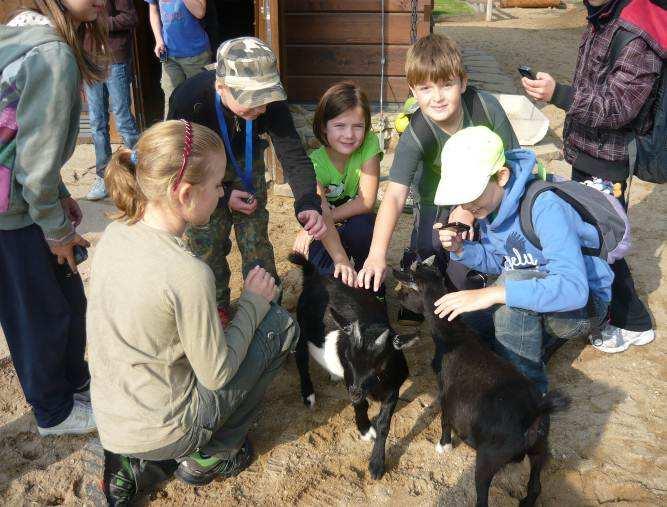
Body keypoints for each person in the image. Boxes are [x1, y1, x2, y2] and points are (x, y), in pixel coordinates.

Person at [88, 120, 299, 504]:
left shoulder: (117, 234)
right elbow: (216, 375)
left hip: (114, 421)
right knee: (280, 326)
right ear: (185, 193)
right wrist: (253, 302)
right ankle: (210, 455)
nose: (222, 193)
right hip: (166, 430)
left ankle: (130, 464)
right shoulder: (188, 274)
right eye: (219, 185)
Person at [520, 0, 661, 353]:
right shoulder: (601, 17)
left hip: (609, 158)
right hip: (587, 149)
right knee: (588, 232)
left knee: (604, 241)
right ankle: (598, 306)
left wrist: (559, 95)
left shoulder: (634, 33)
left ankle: (634, 322)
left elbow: (619, 107)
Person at [433, 127, 613, 394]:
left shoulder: (545, 207)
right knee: (468, 325)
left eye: (471, 193)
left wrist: (496, 293)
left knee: (507, 302)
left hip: (583, 306)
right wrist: (462, 250)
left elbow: (574, 289)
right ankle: (525, 349)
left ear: (502, 176)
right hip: (536, 289)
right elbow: (503, 261)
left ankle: (527, 392)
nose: (465, 204)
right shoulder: (490, 207)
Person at [0, 0, 108, 436]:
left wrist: (60, 196)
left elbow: (20, 136)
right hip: (11, 210)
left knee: (65, 301)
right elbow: (34, 166)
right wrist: (57, 231)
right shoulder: (52, 54)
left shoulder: (20, 32)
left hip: (21, 196)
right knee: (38, 313)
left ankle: (74, 384)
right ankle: (54, 411)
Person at [168, 36, 326, 323]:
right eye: (250, 101)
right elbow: (179, 164)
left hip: (245, 160)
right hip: (200, 170)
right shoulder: (189, 100)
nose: (261, 109)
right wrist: (224, 193)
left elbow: (291, 153)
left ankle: (267, 307)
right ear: (221, 87)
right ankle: (214, 309)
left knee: (254, 233)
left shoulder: (270, 102)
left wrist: (307, 201)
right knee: (206, 240)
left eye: (264, 100)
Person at [356, 34, 520, 309]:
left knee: (463, 269)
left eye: (447, 85)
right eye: (426, 88)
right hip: (435, 198)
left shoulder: (485, 108)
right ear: (413, 90)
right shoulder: (416, 133)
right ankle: (414, 259)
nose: (438, 97)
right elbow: (395, 196)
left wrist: (467, 209)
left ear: (463, 82)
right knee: (428, 258)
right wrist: (376, 254)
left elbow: (516, 163)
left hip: (483, 195)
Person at [292, 82, 381, 287]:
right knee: (322, 274)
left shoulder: (369, 144)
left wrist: (309, 228)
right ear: (324, 126)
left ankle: (374, 287)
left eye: (358, 126)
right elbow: (320, 211)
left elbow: (366, 202)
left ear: (366, 127)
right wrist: (340, 260)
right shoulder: (313, 164)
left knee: (364, 225)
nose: (349, 135)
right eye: (340, 125)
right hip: (325, 229)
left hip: (354, 225)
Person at [84, 0, 140, 201]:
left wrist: (101, 23)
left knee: (123, 120)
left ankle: (139, 174)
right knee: (96, 122)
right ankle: (104, 178)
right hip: (90, 60)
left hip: (115, 59)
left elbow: (131, 17)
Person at [145, 0, 211, 118]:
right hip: (169, 54)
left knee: (200, 100)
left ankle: (200, 135)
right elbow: (153, 10)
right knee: (171, 100)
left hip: (196, 54)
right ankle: (171, 135)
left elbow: (200, 12)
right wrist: (159, 40)